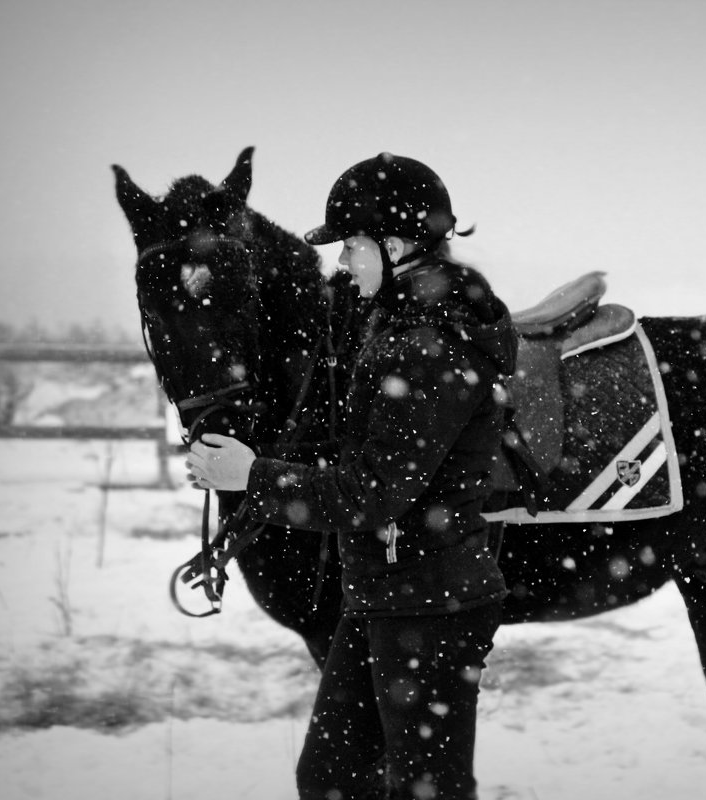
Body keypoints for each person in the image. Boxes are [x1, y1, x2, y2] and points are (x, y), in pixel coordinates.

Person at [185, 152, 515, 800]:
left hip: (431, 602)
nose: (340, 265)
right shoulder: (395, 328)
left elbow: (372, 492)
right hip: (385, 594)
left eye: (351, 249)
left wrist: (252, 476)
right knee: (331, 778)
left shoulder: (427, 345)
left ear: (394, 246)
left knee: (427, 789)